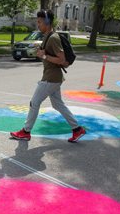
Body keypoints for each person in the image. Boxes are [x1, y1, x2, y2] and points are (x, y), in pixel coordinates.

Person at [10, 9, 86, 143]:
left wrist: (43, 55)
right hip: (54, 78)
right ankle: (77, 129)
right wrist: (41, 52)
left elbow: (61, 59)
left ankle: (26, 132)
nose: (37, 25)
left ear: (47, 22)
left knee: (34, 102)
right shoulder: (48, 36)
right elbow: (53, 56)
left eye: (39, 22)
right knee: (58, 105)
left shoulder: (53, 38)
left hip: (50, 79)